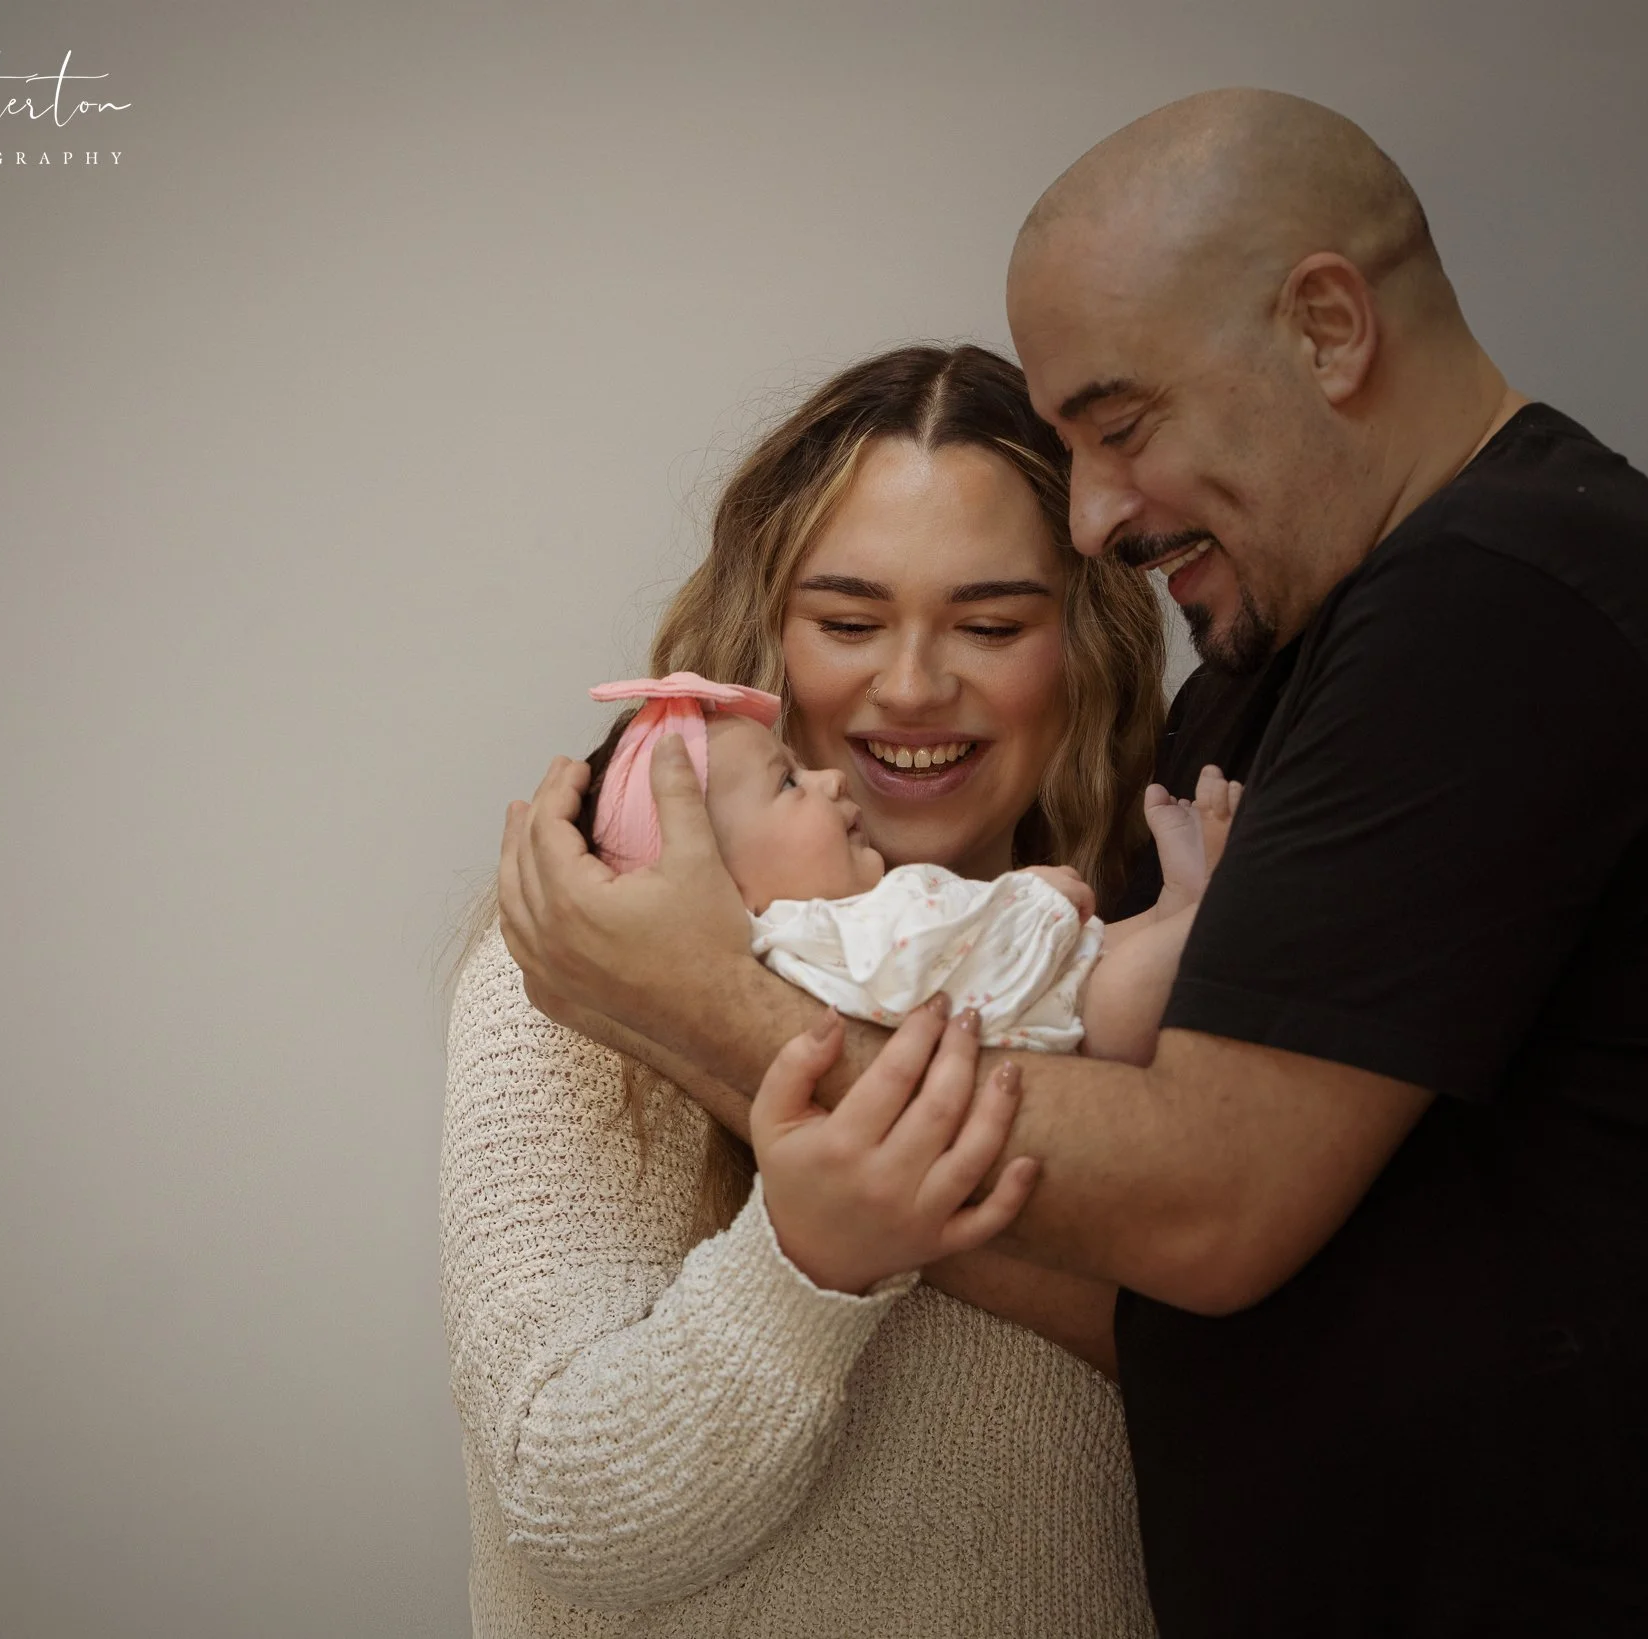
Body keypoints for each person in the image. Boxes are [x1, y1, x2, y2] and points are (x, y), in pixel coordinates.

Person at [498, 90, 1648, 1635]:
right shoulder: (1270, 665)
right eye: (851, 619)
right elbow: (1164, 1290)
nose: (1101, 512)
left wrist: (699, 1004)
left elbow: (1203, 1204)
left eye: (1123, 430)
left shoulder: (1501, 598)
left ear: (1329, 328)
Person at [443, 344, 1164, 1635]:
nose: (910, 686)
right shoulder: (573, 988)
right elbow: (564, 1503)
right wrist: (803, 1264)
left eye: (992, 625)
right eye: (848, 621)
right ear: (762, 643)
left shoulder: (1127, 975)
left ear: (1086, 643)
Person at [577, 670, 1235, 1059]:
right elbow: (932, 947)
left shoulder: (834, 931)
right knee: (1122, 986)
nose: (830, 780)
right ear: (722, 884)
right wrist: (1033, 898)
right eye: (788, 785)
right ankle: (1217, 914)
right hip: (1066, 1036)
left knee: (1104, 957)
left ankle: (1177, 907)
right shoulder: (812, 946)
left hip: (1042, 998)